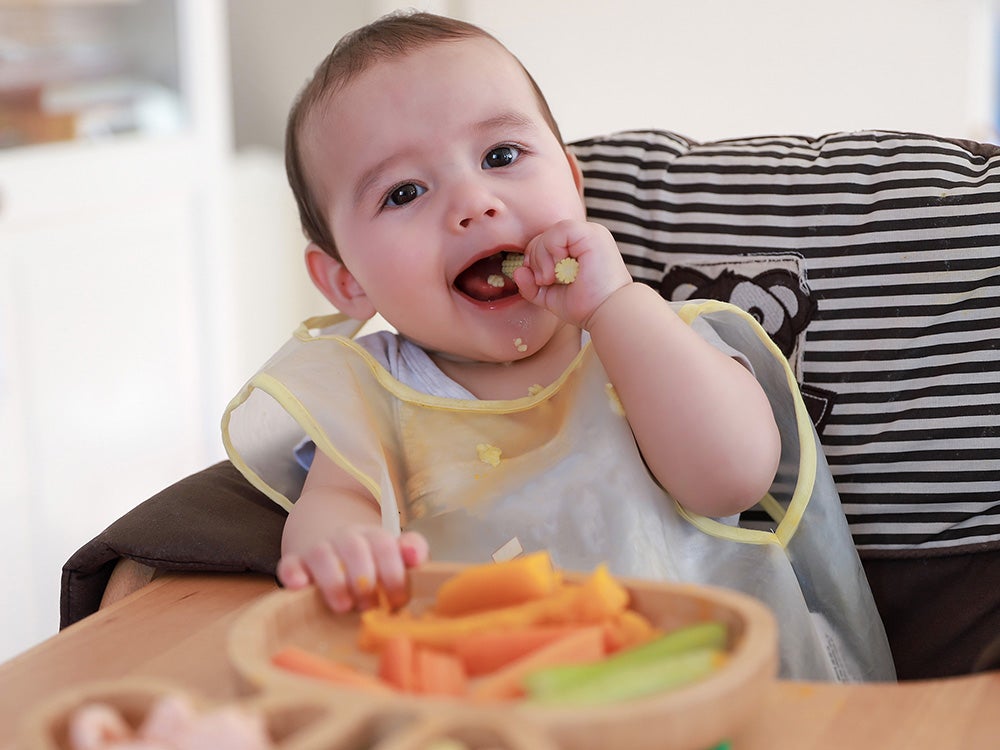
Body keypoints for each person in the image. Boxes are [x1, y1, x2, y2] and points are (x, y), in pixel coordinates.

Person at [223, 10, 895, 682]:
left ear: (573, 185)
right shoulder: (369, 401)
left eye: (501, 156)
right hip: (510, 708)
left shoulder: (649, 339)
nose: (473, 201)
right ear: (345, 280)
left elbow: (734, 473)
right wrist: (344, 552)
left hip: (723, 690)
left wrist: (614, 305)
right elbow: (333, 509)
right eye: (403, 192)